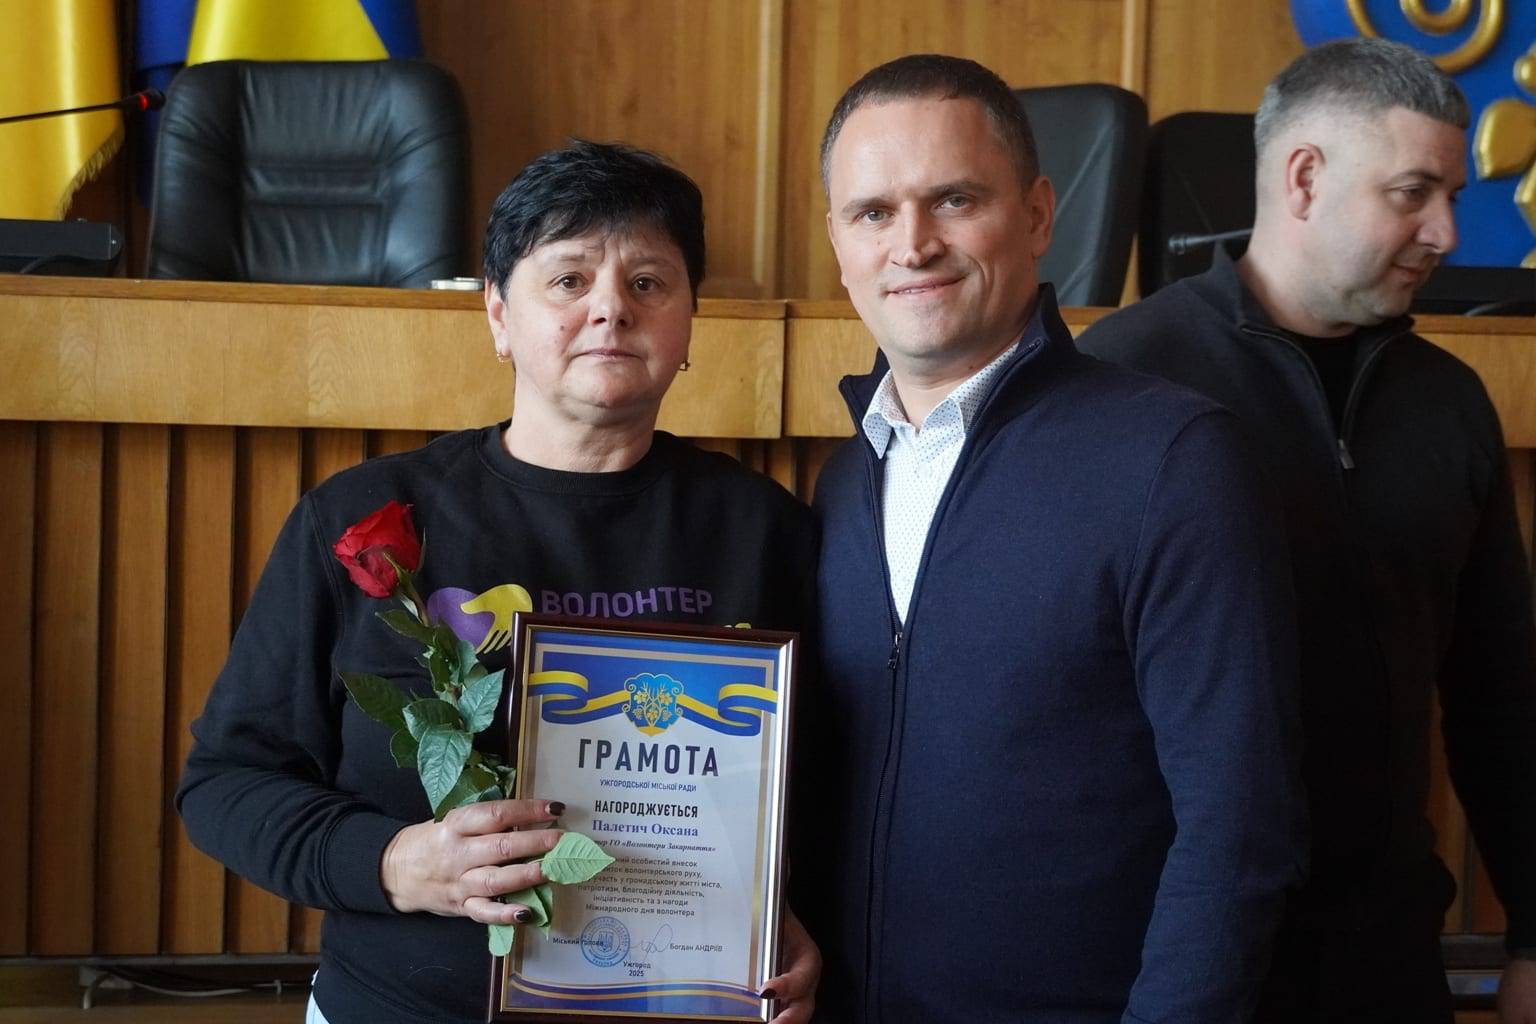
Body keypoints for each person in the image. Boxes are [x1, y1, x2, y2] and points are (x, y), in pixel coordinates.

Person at [177, 141, 821, 1024]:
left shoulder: (768, 531)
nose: (611, 308)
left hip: (684, 1003)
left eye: (648, 282)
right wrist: (396, 864)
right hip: (404, 1007)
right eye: (568, 280)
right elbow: (225, 784)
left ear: (689, 323)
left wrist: (794, 921)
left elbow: (828, 793)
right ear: (498, 315)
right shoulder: (363, 522)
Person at [799, 53, 1307, 1022]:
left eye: (954, 200)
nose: (912, 244)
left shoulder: (1173, 460)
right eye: (872, 213)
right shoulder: (841, 484)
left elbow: (1239, 829)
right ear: (838, 242)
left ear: (1038, 215)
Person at [1078, 37, 1536, 1024]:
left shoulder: (1451, 403)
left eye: (1452, 195)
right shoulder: (1120, 380)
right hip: (1161, 963)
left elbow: (1501, 696)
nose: (1448, 232)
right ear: (1302, 177)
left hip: (1385, 958)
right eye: (1413, 193)